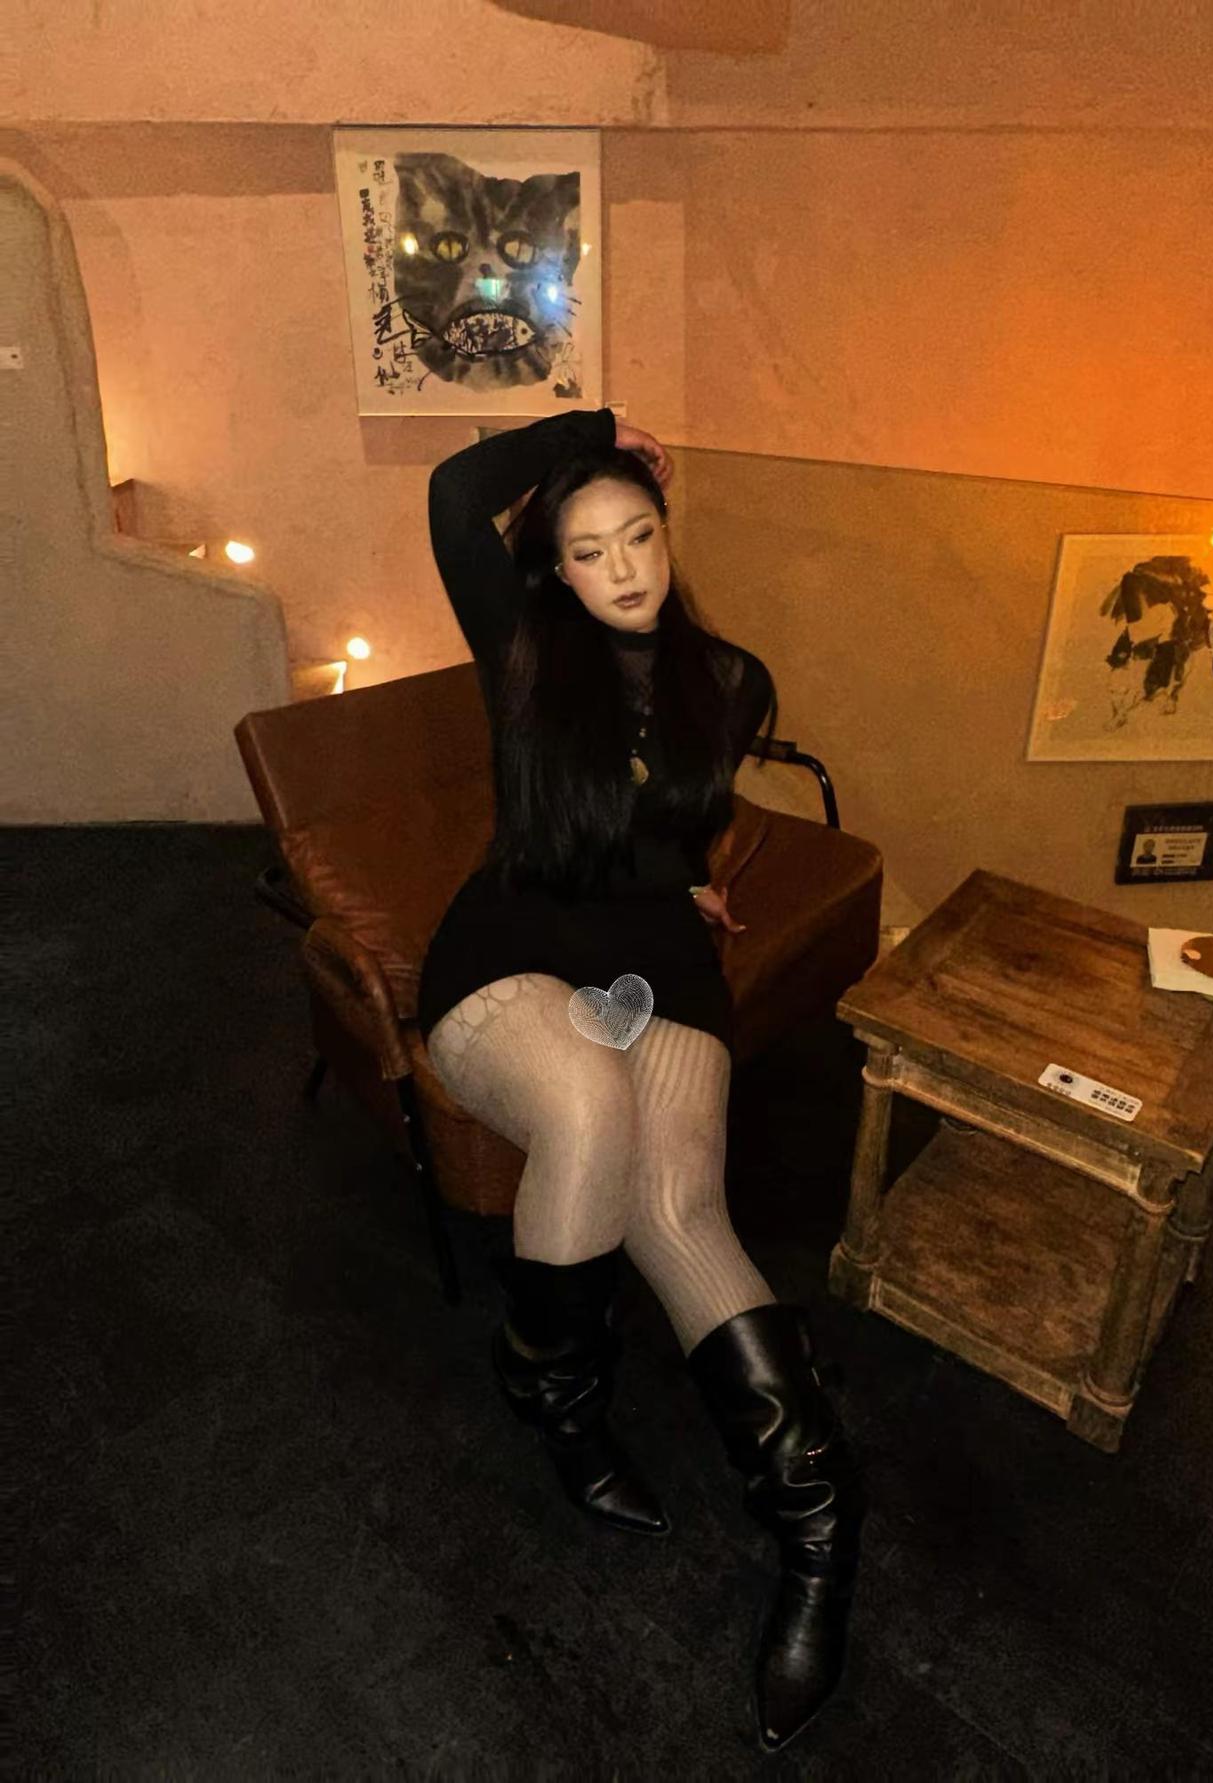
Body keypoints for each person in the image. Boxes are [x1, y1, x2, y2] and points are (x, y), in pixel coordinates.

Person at [417, 407, 865, 1753]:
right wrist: (603, 427)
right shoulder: (521, 646)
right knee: (585, 1106)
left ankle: (819, 1526)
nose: (623, 568)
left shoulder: (729, 680)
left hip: (657, 959)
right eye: (590, 548)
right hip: (510, 945)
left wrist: (687, 888)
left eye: (641, 537)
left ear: (670, 540)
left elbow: (680, 830)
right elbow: (455, 490)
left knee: (679, 1208)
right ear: (553, 568)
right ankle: (557, 1398)